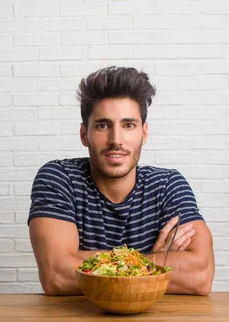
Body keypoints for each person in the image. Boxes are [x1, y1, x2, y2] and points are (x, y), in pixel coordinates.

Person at [28, 66, 215, 296]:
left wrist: (81, 258)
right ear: (84, 134)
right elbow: (56, 276)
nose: (116, 139)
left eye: (128, 125)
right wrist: (154, 260)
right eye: (103, 125)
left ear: (144, 133)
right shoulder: (59, 179)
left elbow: (200, 276)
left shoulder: (168, 185)